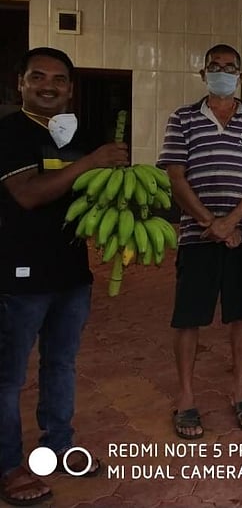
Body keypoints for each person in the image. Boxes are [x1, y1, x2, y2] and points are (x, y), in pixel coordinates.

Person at [0, 48, 126, 505]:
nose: (48, 86)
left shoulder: (79, 134)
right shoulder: (9, 132)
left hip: (72, 272)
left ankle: (57, 444)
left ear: (70, 87)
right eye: (38, 77)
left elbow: (95, 196)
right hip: (19, 273)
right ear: (21, 82)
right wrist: (91, 163)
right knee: (8, 376)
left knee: (61, 364)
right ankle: (10, 467)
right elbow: (28, 194)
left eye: (58, 79)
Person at [158, 44, 242, 439]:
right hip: (198, 235)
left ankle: (240, 392)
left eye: (230, 67)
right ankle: (187, 398)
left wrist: (232, 222)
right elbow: (176, 177)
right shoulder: (183, 119)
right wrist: (212, 222)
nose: (222, 72)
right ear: (203, 73)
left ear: (241, 76)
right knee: (189, 316)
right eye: (215, 66)